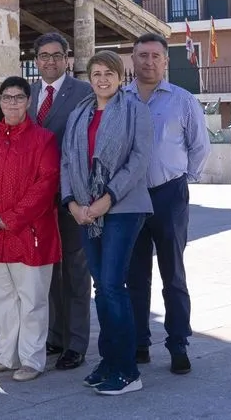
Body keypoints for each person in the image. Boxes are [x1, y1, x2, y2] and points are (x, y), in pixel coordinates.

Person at [61, 50, 153, 396]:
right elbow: (68, 161)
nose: (102, 79)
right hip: (85, 211)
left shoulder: (134, 111)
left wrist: (106, 200)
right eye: (96, 73)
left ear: (120, 77)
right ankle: (109, 360)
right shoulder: (79, 113)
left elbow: (139, 160)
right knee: (102, 287)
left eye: (108, 73)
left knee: (113, 286)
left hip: (123, 208)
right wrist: (71, 203)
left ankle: (127, 370)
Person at [124, 33, 210, 375]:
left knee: (173, 274)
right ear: (133, 59)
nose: (148, 62)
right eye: (142, 55)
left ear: (165, 61)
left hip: (169, 195)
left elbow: (199, 147)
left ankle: (178, 344)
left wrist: (182, 181)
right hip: (130, 198)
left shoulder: (183, 100)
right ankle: (139, 343)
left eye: (155, 56)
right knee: (136, 275)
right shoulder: (121, 99)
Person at [0, 76, 61, 382]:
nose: (12, 103)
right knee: (0, 298)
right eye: (7, 97)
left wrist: (10, 218)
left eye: (19, 97)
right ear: (1, 101)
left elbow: (46, 185)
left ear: (29, 101)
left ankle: (32, 359)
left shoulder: (43, 139)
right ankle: (6, 355)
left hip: (28, 233)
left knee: (31, 299)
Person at [29, 32, 93, 371]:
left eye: (57, 55)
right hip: (38, 199)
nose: (50, 61)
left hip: (72, 196)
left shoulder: (83, 93)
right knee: (47, 268)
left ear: (68, 58)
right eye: (44, 55)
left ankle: (77, 342)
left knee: (75, 270)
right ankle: (55, 336)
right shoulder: (29, 94)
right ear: (36, 59)